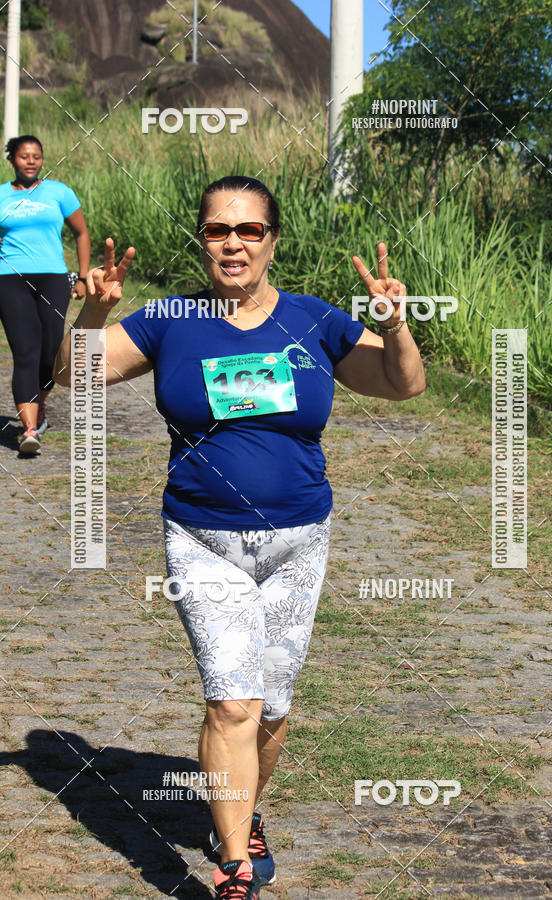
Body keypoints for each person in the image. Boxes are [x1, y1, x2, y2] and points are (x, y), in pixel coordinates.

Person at [53, 175, 426, 899]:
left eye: (248, 230)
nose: (233, 243)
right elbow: (75, 376)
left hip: (299, 542)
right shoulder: (171, 320)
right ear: (203, 239)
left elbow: (401, 383)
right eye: (219, 230)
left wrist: (398, 322)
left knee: (273, 704)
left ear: (272, 240)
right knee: (232, 700)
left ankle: (244, 807)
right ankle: (234, 865)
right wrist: (93, 312)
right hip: (202, 539)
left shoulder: (316, 321)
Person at [0, 134, 90, 455]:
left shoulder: (59, 192)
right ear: (12, 160)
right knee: (25, 351)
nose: (31, 161)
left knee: (50, 350)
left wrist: (81, 276)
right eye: (24, 156)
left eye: (36, 156)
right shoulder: (0, 196)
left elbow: (81, 232)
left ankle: (40, 404)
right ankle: (29, 429)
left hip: (53, 278)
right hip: (10, 279)